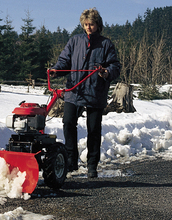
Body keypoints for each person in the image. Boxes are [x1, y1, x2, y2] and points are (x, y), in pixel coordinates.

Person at [49, 8, 121, 178]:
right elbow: (64, 61)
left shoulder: (106, 45)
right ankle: (71, 161)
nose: (89, 27)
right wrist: (55, 71)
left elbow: (115, 67)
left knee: (94, 129)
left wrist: (106, 72)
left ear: (98, 25)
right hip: (74, 90)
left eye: (92, 24)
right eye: (86, 24)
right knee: (68, 123)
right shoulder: (75, 41)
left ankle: (91, 165)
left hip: (96, 92)